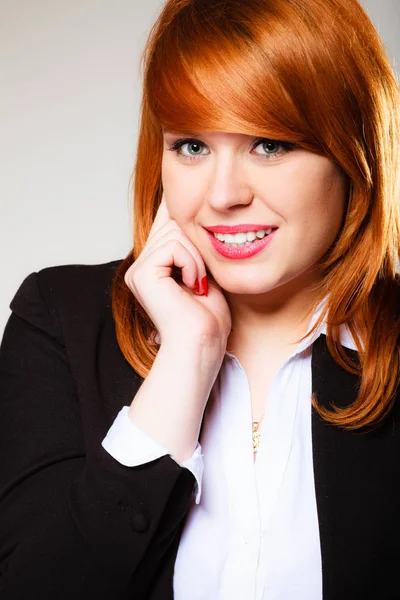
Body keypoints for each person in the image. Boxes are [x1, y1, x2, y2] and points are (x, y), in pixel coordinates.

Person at [1, 0, 399, 598]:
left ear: (354, 153)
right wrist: (188, 355)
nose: (222, 194)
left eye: (270, 143)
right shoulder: (59, 318)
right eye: (191, 146)